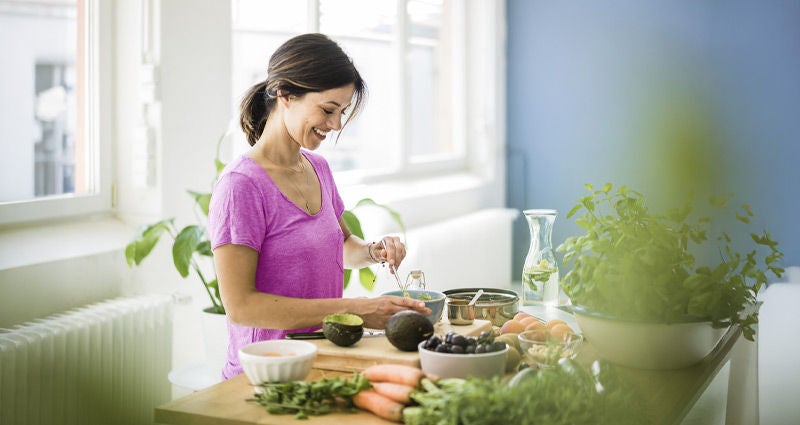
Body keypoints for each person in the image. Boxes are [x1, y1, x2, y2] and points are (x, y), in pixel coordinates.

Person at [207, 33, 430, 380]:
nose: (336, 125)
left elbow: (341, 247)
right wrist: (356, 309)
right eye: (328, 110)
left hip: (322, 359)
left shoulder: (318, 168)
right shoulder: (241, 186)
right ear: (285, 94)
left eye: (342, 112)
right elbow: (241, 307)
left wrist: (374, 251)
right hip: (266, 375)